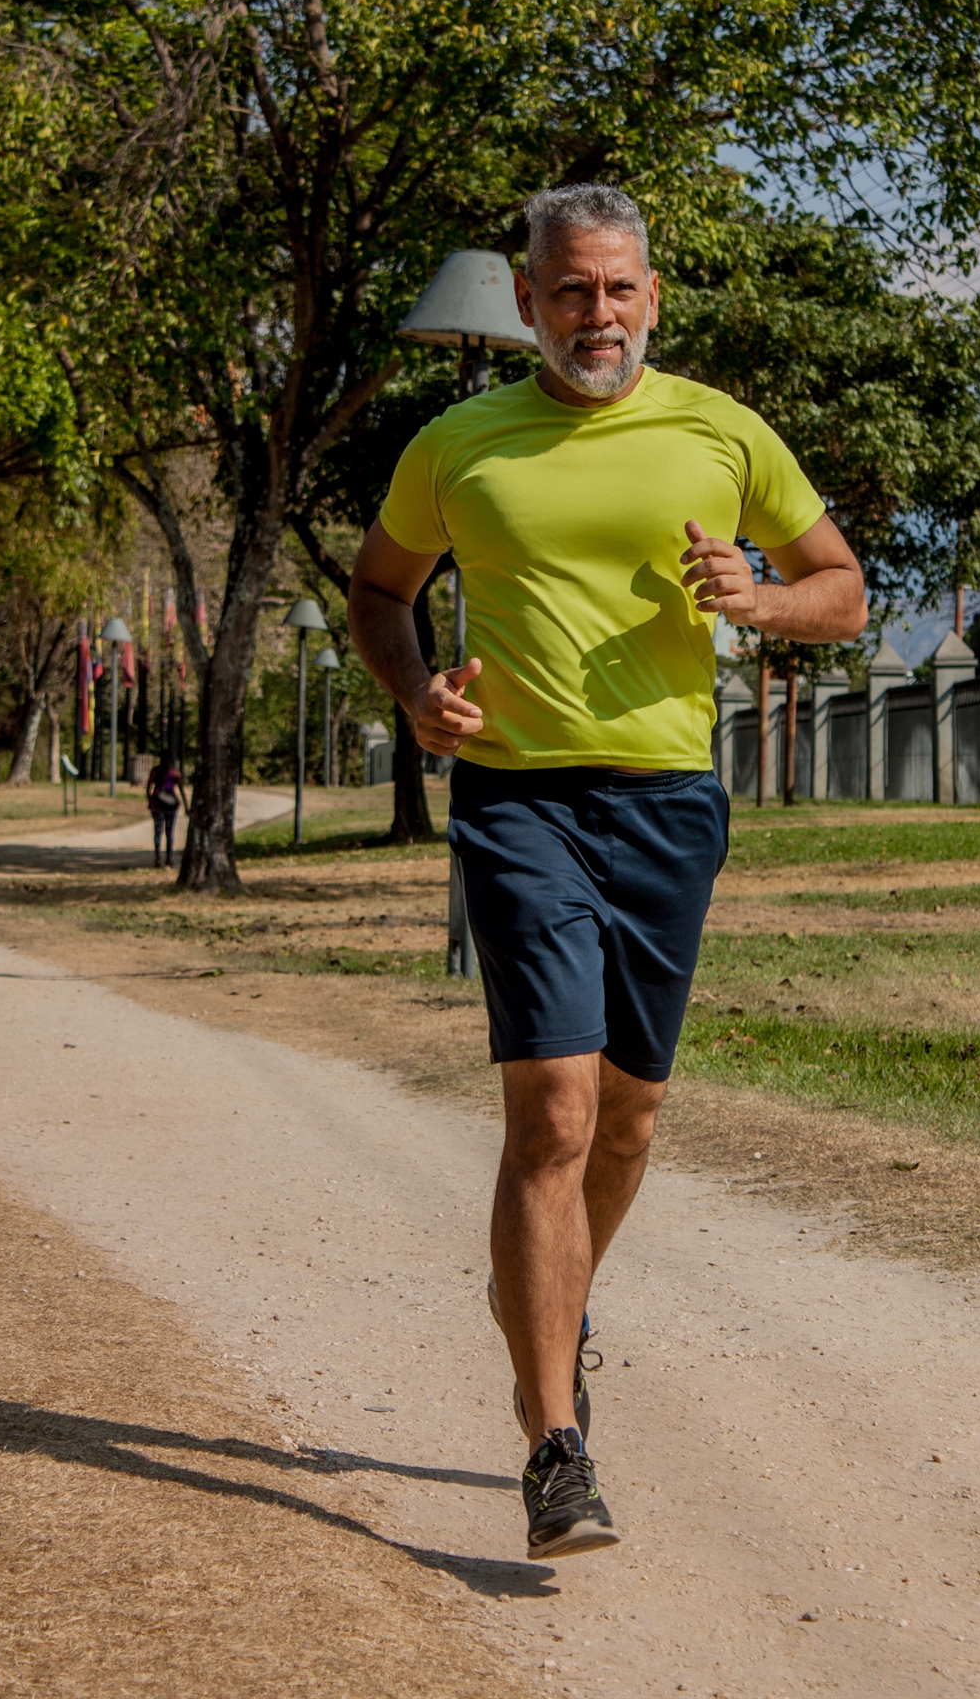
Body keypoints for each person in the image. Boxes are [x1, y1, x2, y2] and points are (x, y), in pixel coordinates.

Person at [348, 184, 866, 1560]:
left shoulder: (719, 431)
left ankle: (549, 1312)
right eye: (569, 290)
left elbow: (844, 587)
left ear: (653, 297)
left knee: (628, 1123)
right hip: (518, 800)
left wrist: (757, 601)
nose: (596, 314)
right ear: (526, 302)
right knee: (556, 1116)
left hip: (670, 805)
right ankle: (553, 1446)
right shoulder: (458, 445)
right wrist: (415, 697)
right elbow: (378, 587)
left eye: (618, 289)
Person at [145, 750, 188, 868]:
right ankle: (169, 858)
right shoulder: (175, 772)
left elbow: (149, 788)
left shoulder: (155, 771)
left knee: (158, 832)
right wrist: (186, 806)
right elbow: (181, 790)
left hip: (157, 804)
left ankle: (158, 858)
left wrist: (150, 800)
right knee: (169, 832)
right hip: (170, 804)